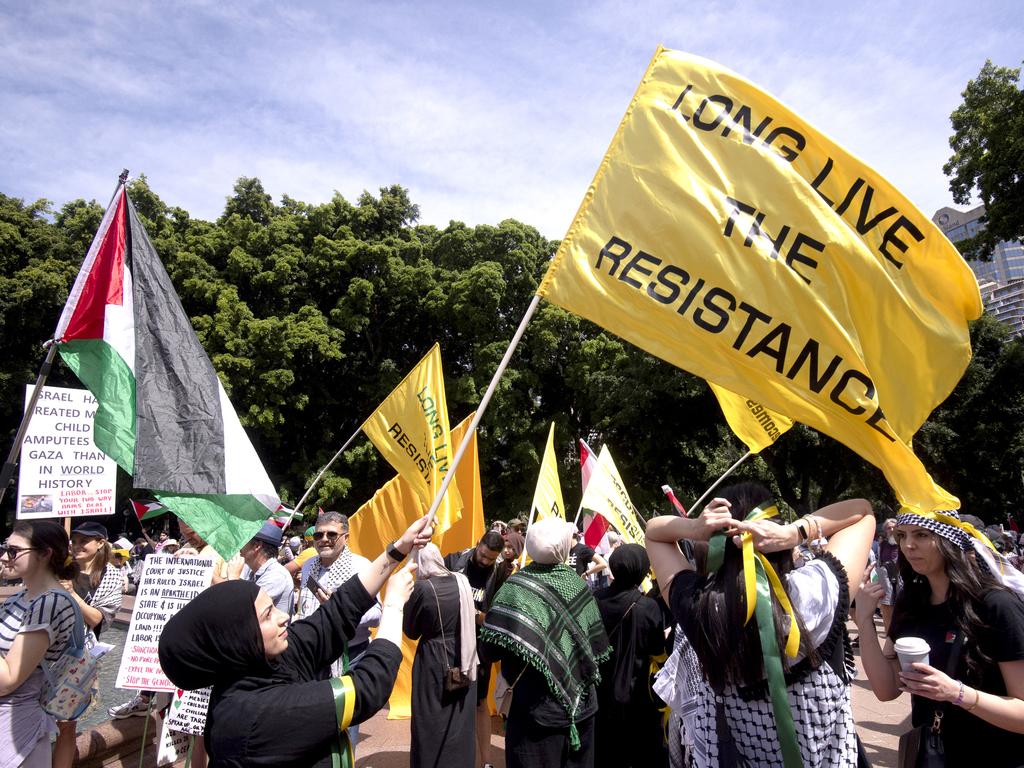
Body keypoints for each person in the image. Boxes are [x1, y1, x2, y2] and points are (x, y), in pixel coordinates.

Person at [158, 515, 433, 767]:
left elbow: (335, 614)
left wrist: (398, 549)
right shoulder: (255, 714)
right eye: (268, 615)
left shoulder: (263, 660)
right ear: (237, 640)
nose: (283, 617)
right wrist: (395, 605)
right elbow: (366, 688)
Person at [645, 484, 874, 768]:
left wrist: (693, 527)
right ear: (777, 539)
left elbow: (654, 533)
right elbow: (862, 511)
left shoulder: (698, 607)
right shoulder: (816, 591)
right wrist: (796, 532)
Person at [855, 508, 1024, 766]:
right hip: (933, 755)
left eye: (921, 535)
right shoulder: (911, 604)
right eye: (902, 535)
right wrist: (864, 620)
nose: (908, 545)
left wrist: (956, 693)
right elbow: (886, 689)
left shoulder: (995, 606)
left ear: (950, 541)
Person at [480, 517, 610, 768]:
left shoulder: (514, 588)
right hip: (582, 707)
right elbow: (596, 644)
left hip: (533, 714)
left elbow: (489, 650)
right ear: (563, 546)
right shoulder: (578, 585)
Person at [296, 512, 381, 749]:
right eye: (318, 534)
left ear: (346, 537)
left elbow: (377, 614)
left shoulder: (362, 567)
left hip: (349, 657)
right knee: (314, 723)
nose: (323, 539)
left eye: (331, 534)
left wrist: (341, 609)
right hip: (313, 655)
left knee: (345, 723)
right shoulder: (309, 566)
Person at [0, 521, 81, 768]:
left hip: (17, 732)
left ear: (45, 554)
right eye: (4, 548)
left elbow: (7, 680)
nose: (5, 557)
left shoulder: (51, 604)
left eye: (14, 551)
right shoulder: (20, 597)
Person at [54, 521, 125, 768]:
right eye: (75, 540)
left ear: (100, 543)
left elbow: (98, 619)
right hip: (47, 651)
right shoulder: (61, 567)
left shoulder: (111, 575)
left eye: (84, 540)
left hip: (78, 657)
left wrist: (71, 594)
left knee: (66, 725)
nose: (77, 545)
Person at [593, 544, 668, 768]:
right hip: (637, 696)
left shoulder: (595, 599)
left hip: (599, 694)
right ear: (643, 569)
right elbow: (658, 652)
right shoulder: (649, 607)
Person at [403, 544, 477, 768]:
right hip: (465, 655)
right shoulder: (462, 581)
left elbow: (411, 630)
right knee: (460, 720)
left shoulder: (422, 589)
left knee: (430, 720)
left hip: (433, 659)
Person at [445, 530, 505, 768]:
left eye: (491, 559)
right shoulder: (454, 561)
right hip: (452, 643)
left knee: (480, 703)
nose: (485, 561)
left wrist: (478, 616)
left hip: (480, 647)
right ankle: (453, 758)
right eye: (482, 555)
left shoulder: (499, 573)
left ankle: (487, 762)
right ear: (477, 544)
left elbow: (498, 615)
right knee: (451, 699)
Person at [235, 522, 294, 614]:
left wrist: (233, 580)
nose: (238, 545)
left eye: (243, 541)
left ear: (257, 546)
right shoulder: (253, 570)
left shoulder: (276, 575)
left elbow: (241, 609)